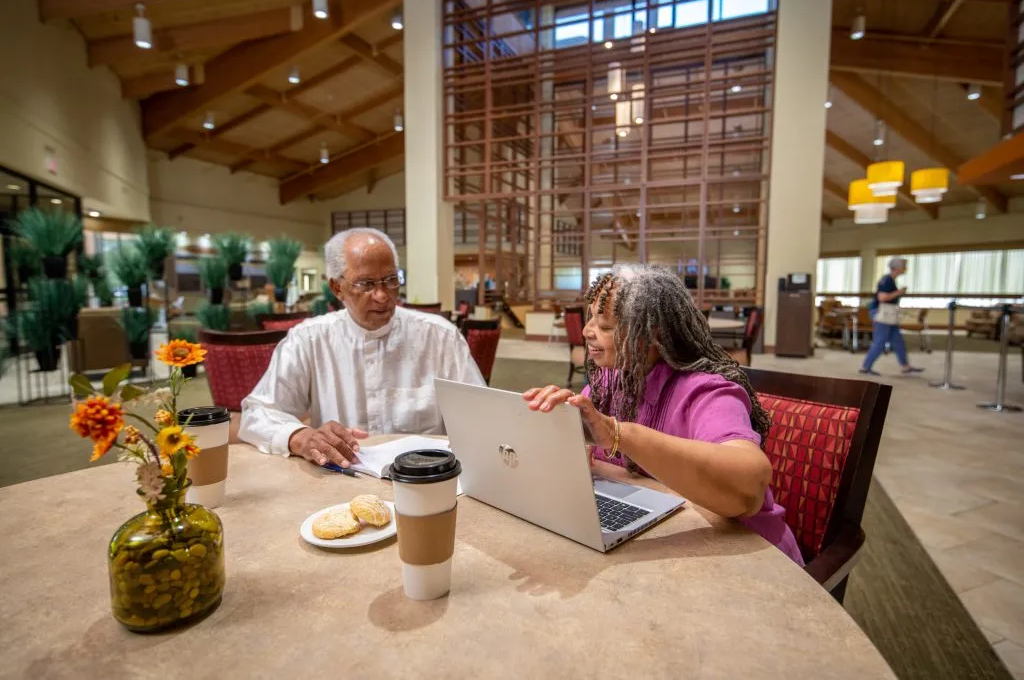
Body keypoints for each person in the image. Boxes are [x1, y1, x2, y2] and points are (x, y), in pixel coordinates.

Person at [522, 264, 803, 565]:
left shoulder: (708, 392)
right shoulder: (610, 381)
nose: (587, 331)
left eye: (605, 326)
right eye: (590, 318)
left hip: (750, 556)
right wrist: (561, 427)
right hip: (672, 548)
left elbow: (749, 487)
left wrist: (619, 434)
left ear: (652, 333)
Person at [239, 228, 485, 467]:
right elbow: (257, 412)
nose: (382, 296)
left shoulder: (440, 337)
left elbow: (481, 413)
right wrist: (300, 436)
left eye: (391, 280)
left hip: (426, 477)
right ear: (337, 288)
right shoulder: (309, 340)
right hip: (342, 476)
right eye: (366, 284)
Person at [859, 256, 923, 377]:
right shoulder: (887, 280)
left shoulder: (891, 280)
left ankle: (905, 366)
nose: (906, 268)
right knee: (879, 342)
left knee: (898, 341)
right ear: (898, 267)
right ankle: (865, 367)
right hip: (883, 315)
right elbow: (882, 298)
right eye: (904, 266)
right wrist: (899, 292)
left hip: (890, 316)